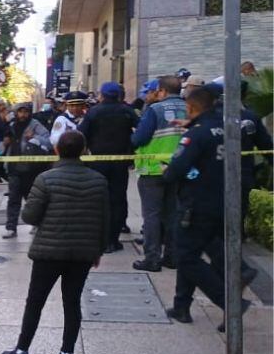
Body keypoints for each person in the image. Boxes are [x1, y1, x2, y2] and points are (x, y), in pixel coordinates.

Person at [0, 130, 108, 354]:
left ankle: (22, 350)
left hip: (48, 251)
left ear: (57, 150)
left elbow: (29, 215)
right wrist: (98, 250)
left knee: (35, 301)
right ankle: (66, 353)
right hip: (82, 253)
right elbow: (104, 219)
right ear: (84, 150)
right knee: (72, 301)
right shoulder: (98, 180)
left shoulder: (46, 179)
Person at [165, 87, 247, 325]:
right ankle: (182, 306)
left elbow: (177, 169)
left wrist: (169, 172)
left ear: (191, 107)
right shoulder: (227, 129)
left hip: (197, 204)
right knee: (199, 250)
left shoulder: (197, 134)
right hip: (224, 199)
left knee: (185, 256)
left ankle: (229, 301)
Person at [130, 75, 186, 272]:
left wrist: (132, 135)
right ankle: (172, 257)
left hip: (153, 170)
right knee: (172, 214)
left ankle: (152, 258)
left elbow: (139, 139)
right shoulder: (189, 108)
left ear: (162, 90)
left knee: (152, 215)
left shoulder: (155, 109)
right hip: (178, 169)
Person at [78, 82, 138, 253]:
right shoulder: (127, 110)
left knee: (99, 199)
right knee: (117, 200)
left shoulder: (94, 111)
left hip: (97, 163)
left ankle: (101, 238)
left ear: (102, 95)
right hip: (121, 162)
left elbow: (81, 132)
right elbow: (139, 130)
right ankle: (113, 239)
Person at [3, 103, 51, 238]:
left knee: (32, 199)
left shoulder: (35, 124)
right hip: (14, 168)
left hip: (31, 169)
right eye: (20, 112)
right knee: (13, 199)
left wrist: (34, 138)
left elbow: (48, 140)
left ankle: (37, 224)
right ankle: (11, 227)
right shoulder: (12, 125)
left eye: (25, 112)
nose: (23, 115)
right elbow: (5, 144)